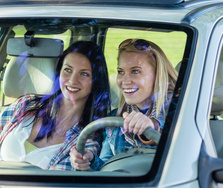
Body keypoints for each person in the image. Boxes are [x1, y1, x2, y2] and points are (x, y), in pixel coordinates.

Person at [0, 41, 111, 170]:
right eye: (68, 70)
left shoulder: (87, 140)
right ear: (59, 72)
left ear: (96, 81)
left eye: (84, 74)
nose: (72, 80)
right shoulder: (25, 105)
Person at [70, 39, 177, 171]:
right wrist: (89, 159)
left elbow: (185, 155)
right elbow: (106, 166)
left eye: (135, 71)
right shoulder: (115, 118)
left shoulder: (180, 109)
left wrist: (153, 126)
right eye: (121, 72)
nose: (124, 81)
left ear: (157, 75)